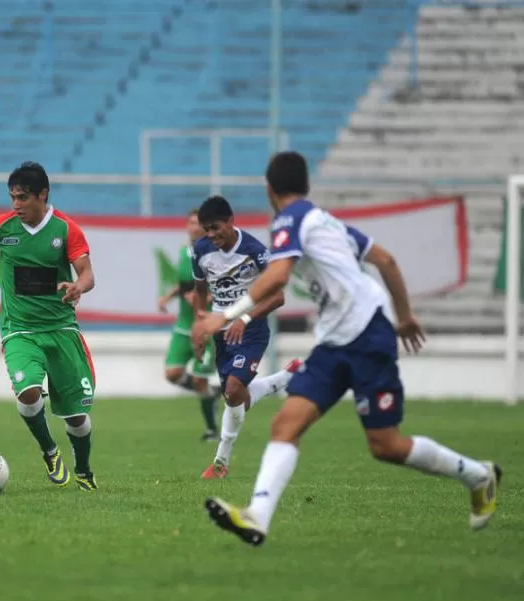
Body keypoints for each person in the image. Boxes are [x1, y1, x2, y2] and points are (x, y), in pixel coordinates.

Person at [199, 151, 501, 546]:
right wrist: (405, 316)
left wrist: (226, 316)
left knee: (386, 444)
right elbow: (386, 260)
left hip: (366, 334)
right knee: (285, 424)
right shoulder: (327, 222)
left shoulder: (291, 218)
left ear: (270, 190)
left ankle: (479, 475)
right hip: (338, 339)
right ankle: (257, 516)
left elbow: (278, 274)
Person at [0, 161, 98, 491]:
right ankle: (49, 450)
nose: (16, 204)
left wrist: (78, 286)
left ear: (42, 195)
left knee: (76, 417)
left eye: (22, 197)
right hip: (19, 329)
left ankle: (84, 470)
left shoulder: (66, 230)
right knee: (28, 391)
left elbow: (87, 273)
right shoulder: (0, 227)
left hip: (61, 329)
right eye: (12, 197)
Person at [190, 195, 301, 480]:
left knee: (234, 388)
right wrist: (199, 323)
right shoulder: (200, 251)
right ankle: (280, 381)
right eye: (207, 230)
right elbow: (200, 291)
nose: (211, 235)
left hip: (251, 329)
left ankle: (220, 463)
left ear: (230, 221)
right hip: (220, 332)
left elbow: (278, 296)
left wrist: (245, 317)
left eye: (216, 227)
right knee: (234, 396)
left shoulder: (255, 251)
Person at [158, 209, 219, 441]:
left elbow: (221, 286)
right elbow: (184, 284)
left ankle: (212, 429)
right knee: (172, 373)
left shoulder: (214, 253)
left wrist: (203, 298)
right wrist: (169, 297)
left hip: (206, 327)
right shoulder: (184, 251)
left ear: (205, 227)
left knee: (200, 378)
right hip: (184, 325)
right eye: (190, 223)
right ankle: (210, 395)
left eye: (198, 224)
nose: (193, 227)